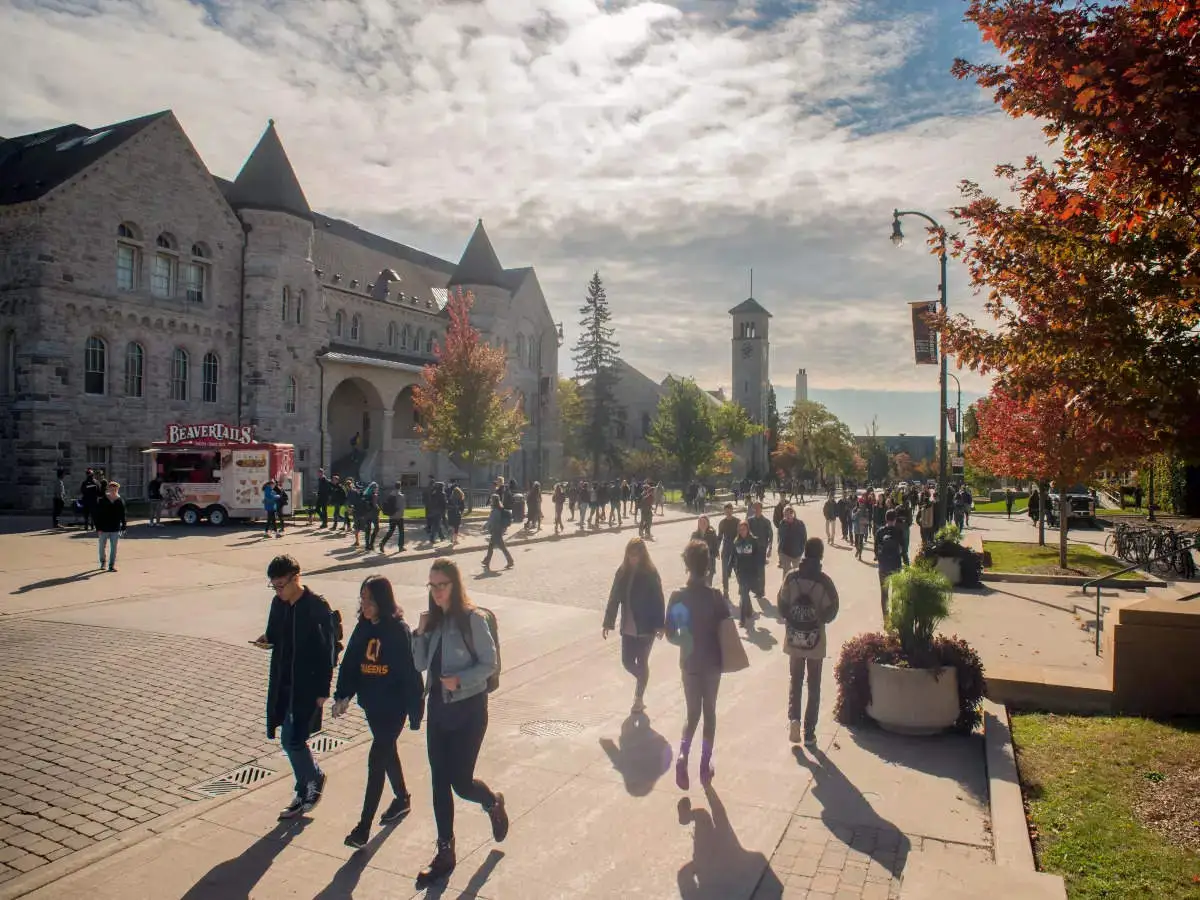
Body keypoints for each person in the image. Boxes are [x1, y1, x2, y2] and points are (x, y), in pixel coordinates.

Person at [410, 560, 508, 884]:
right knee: (439, 781)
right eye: (432, 585)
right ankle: (445, 851)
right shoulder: (435, 622)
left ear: (455, 585)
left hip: (468, 712)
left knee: (460, 783)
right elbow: (420, 663)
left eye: (442, 585)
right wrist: (420, 633)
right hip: (438, 710)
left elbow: (489, 664)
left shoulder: (473, 620)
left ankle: (492, 802)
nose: (437, 591)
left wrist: (461, 681)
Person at [332, 576, 425, 849]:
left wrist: (415, 710)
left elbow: (410, 672)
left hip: (393, 708)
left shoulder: (397, 630)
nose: (365, 605)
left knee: (377, 759)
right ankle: (402, 798)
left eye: (371, 600)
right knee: (387, 752)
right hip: (372, 705)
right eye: (362, 598)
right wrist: (343, 696)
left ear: (383, 601)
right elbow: (350, 663)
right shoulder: (362, 628)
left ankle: (363, 828)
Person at [254, 555, 338, 820]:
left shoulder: (316, 607)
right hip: (283, 681)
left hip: (307, 685)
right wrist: (267, 639)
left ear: (296, 577)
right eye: (274, 586)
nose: (278, 591)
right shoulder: (278, 605)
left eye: (281, 585)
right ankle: (304, 790)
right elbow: (275, 633)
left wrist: (324, 691)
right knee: (290, 738)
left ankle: (312, 783)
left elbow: (328, 651)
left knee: (293, 738)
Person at [665, 539, 729, 789]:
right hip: (712, 661)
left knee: (692, 713)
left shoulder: (678, 596)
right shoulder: (715, 597)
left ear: (686, 565)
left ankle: (682, 756)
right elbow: (727, 628)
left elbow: (670, 632)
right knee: (709, 712)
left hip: (689, 660)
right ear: (708, 566)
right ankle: (704, 763)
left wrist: (686, 640)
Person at [777, 538, 840, 747]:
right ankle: (810, 732)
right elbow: (833, 608)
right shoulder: (824, 581)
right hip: (815, 638)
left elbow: (782, 603)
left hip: (794, 637)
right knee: (814, 685)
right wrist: (819, 619)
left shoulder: (791, 577)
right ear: (820, 555)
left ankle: (793, 719)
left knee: (795, 680)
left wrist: (791, 618)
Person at [602, 538, 666, 714]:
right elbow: (614, 597)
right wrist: (608, 622)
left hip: (647, 627)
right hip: (628, 625)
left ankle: (638, 698)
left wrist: (660, 624)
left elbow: (659, 600)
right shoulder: (622, 572)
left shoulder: (650, 573)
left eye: (636, 555)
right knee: (627, 661)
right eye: (630, 555)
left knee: (642, 661)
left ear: (642, 555)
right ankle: (642, 679)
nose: (633, 558)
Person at [874, 509, 906, 621]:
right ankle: (895, 617)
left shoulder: (879, 532)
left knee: (884, 594)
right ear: (895, 519)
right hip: (895, 565)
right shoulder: (899, 531)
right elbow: (903, 550)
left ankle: (886, 619)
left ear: (886, 519)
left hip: (883, 566)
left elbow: (876, 550)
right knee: (896, 591)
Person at [731, 520, 761, 627]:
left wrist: (758, 573)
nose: (742, 531)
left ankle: (749, 612)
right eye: (740, 529)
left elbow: (758, 557)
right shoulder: (736, 542)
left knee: (748, 593)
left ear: (748, 529)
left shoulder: (753, 541)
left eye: (744, 529)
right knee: (743, 595)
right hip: (741, 573)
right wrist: (730, 569)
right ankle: (742, 619)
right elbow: (733, 556)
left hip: (751, 573)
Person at [94, 481, 126, 571]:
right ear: (108, 489)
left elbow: (122, 514)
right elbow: (97, 514)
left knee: (114, 548)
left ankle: (111, 565)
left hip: (115, 527)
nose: (113, 490)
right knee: (101, 547)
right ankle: (103, 563)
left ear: (117, 489)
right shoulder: (103, 500)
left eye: (115, 488)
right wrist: (98, 528)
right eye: (111, 488)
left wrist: (124, 525)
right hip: (103, 528)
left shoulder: (120, 500)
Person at [747, 501, 773, 601]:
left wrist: (769, 549)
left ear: (761, 509)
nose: (757, 509)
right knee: (753, 570)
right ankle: (756, 589)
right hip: (751, 549)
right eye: (755, 508)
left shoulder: (766, 521)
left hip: (761, 549)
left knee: (760, 570)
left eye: (758, 508)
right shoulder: (750, 521)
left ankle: (761, 591)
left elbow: (771, 536)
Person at [482, 493, 514, 571]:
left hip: (496, 531)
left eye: (491, 500)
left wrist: (485, 526)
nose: (490, 501)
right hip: (497, 530)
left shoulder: (495, 510)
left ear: (493, 501)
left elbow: (492, 521)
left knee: (502, 547)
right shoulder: (499, 508)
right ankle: (487, 560)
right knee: (492, 546)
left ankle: (510, 561)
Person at [716, 503, 739, 598]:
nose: (728, 512)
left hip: (736, 551)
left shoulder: (738, 522)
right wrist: (716, 549)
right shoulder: (722, 523)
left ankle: (742, 589)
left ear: (732, 511)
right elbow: (719, 537)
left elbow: (741, 536)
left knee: (738, 572)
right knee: (725, 572)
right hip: (725, 550)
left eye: (730, 510)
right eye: (726, 511)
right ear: (724, 512)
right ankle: (725, 590)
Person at [776, 505, 807, 576]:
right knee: (786, 572)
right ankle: (785, 586)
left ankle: (795, 586)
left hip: (797, 553)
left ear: (792, 513)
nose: (786, 516)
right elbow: (780, 538)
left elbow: (804, 538)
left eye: (788, 514)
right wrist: (779, 551)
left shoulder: (800, 524)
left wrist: (802, 550)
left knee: (796, 572)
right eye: (785, 514)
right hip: (785, 553)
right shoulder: (782, 524)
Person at [690, 515, 719, 586]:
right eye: (700, 522)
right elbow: (690, 549)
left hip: (709, 564)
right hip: (697, 565)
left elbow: (715, 548)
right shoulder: (694, 534)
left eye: (704, 522)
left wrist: (714, 554)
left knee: (708, 585)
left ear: (708, 523)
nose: (702, 524)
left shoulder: (712, 534)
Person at [380, 481, 407, 553]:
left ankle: (382, 543)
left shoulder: (390, 495)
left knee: (391, 531)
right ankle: (400, 546)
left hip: (392, 516)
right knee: (401, 532)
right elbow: (403, 507)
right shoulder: (401, 496)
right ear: (400, 487)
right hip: (399, 517)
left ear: (394, 487)